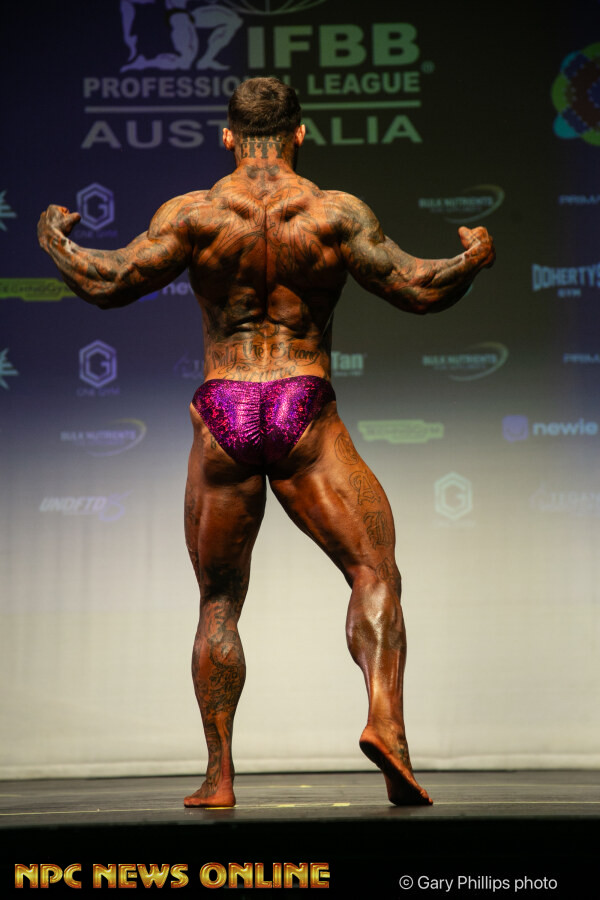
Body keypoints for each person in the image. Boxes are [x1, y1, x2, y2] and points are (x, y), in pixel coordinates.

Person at [38, 76, 495, 808]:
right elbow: (416, 288)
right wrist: (470, 260)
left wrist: (55, 241)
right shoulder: (334, 213)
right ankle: (385, 723)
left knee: (219, 601)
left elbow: (109, 281)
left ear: (227, 136)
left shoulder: (194, 214)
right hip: (301, 403)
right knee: (374, 570)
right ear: (300, 134)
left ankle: (218, 777)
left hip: (224, 406)